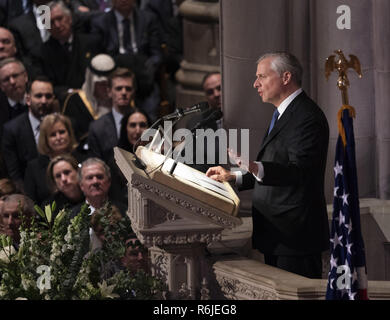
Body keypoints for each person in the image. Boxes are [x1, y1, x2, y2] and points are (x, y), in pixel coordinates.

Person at [206, 52, 330, 279]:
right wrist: (234, 177)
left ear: (285, 77)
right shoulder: (284, 114)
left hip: (295, 238)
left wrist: (255, 167)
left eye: (262, 76)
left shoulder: (307, 117)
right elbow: (273, 169)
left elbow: (298, 173)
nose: (255, 84)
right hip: (278, 235)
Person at [90, 0, 162, 121]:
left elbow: (157, 54)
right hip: (114, 75)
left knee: (150, 114)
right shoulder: (100, 22)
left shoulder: (148, 19)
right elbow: (98, 56)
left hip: (143, 76)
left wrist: (149, 70)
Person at [39, 0, 102, 105]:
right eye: (51, 22)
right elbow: (48, 84)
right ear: (47, 28)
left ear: (70, 19)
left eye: (60, 19)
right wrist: (70, 93)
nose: (57, 25)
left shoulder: (91, 43)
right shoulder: (44, 52)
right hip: (64, 102)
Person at [1, 76, 55, 190]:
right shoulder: (12, 130)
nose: (44, 101)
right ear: (28, 99)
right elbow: (15, 174)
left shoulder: (63, 124)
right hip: (29, 190)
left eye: (48, 96)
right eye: (39, 96)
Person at [24, 113, 86, 206]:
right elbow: (32, 202)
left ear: (69, 133)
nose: (59, 137)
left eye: (62, 132)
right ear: (45, 139)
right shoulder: (34, 168)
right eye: (53, 135)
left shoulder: (84, 159)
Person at [62, 53, 116, 144]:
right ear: (92, 83)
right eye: (102, 84)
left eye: (110, 85)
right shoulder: (75, 102)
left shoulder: (122, 100)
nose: (107, 89)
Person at [88, 67, 136, 162]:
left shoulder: (145, 122)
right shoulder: (97, 128)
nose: (123, 92)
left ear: (133, 92)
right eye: (119, 88)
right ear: (109, 92)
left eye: (128, 89)